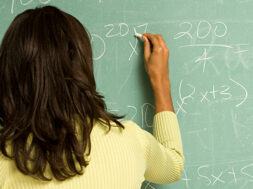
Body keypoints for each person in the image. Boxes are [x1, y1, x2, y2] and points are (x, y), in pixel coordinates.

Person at [0, 5, 184, 189]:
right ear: (81, 65)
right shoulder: (131, 140)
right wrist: (160, 82)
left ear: (10, 75)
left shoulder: (4, 162)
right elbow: (173, 164)